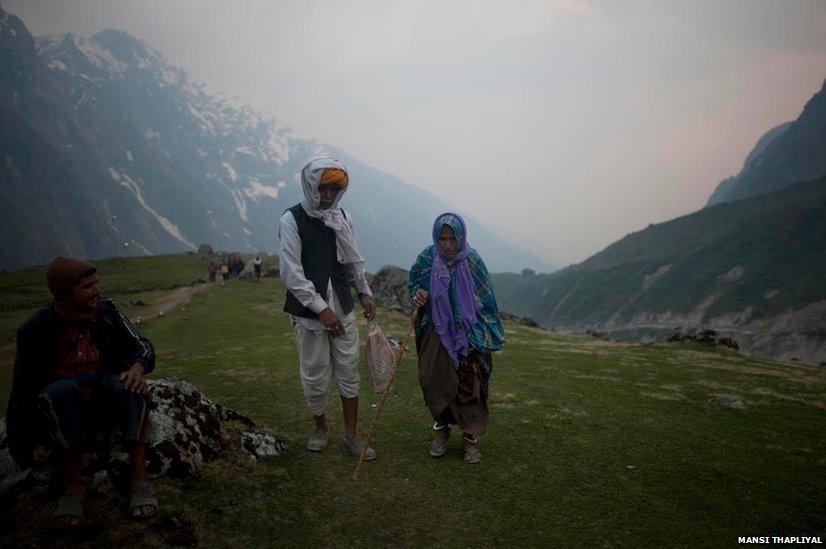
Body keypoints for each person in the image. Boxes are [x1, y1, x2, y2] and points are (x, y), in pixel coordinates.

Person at [5, 257, 158, 525]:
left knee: (130, 385)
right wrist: (28, 445)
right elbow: (23, 392)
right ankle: (73, 486)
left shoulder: (107, 311)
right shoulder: (35, 329)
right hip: (68, 405)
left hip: (105, 397)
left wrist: (136, 368)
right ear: (63, 294)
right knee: (58, 391)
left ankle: (139, 481)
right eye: (87, 287)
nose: (96, 291)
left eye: (96, 284)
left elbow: (142, 346)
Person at [279, 157, 377, 460]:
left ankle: (351, 436)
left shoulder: (341, 217)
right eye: (324, 188)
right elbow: (291, 272)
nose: (330, 195)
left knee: (349, 371)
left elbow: (351, 259)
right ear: (311, 186)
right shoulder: (291, 220)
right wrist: (321, 309)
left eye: (335, 189)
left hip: (344, 308)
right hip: (310, 315)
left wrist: (363, 292)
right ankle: (320, 427)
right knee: (315, 372)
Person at [408, 213, 505, 464]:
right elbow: (414, 285)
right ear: (435, 238)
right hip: (437, 331)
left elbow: (487, 300)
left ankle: (470, 439)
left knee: (469, 385)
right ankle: (441, 432)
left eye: (452, 239)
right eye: (442, 239)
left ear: (460, 238)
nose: (448, 245)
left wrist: (479, 335)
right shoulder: (427, 258)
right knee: (433, 379)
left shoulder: (472, 261)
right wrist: (418, 294)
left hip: (467, 334)